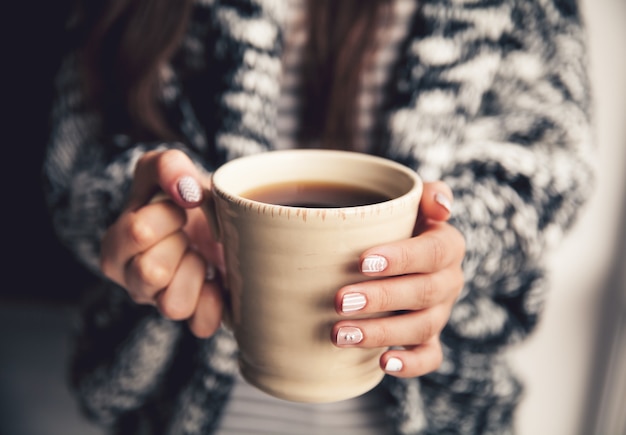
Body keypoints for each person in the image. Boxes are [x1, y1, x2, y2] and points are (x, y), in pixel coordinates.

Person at [43, 0, 594, 433]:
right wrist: (139, 209)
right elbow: (77, 151)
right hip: (168, 411)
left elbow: (551, 160)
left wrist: (449, 245)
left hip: (445, 412)